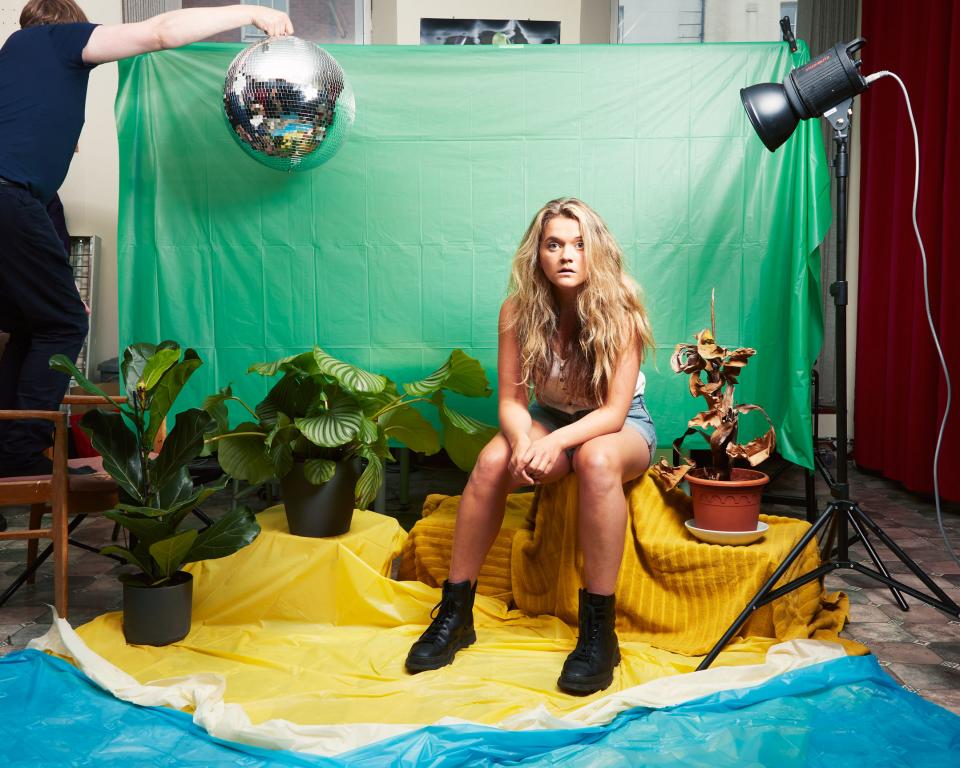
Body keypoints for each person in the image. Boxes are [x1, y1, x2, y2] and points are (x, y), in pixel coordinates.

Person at [0, 0, 293, 477]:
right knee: (61, 326)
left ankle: (7, 459)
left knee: (33, 324)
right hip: (9, 199)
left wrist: (63, 286)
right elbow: (160, 32)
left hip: (16, 201)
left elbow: (40, 200)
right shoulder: (52, 39)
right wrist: (250, 11)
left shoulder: (15, 68)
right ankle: (17, 459)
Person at [405, 198, 657, 695]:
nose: (567, 255)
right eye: (555, 244)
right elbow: (513, 401)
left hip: (619, 422)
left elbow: (611, 411)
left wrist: (557, 443)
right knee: (493, 458)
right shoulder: (518, 310)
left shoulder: (622, 307)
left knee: (596, 459)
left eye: (580, 245)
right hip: (549, 417)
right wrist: (522, 442)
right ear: (537, 254)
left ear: (597, 252)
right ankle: (456, 616)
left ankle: (598, 637)